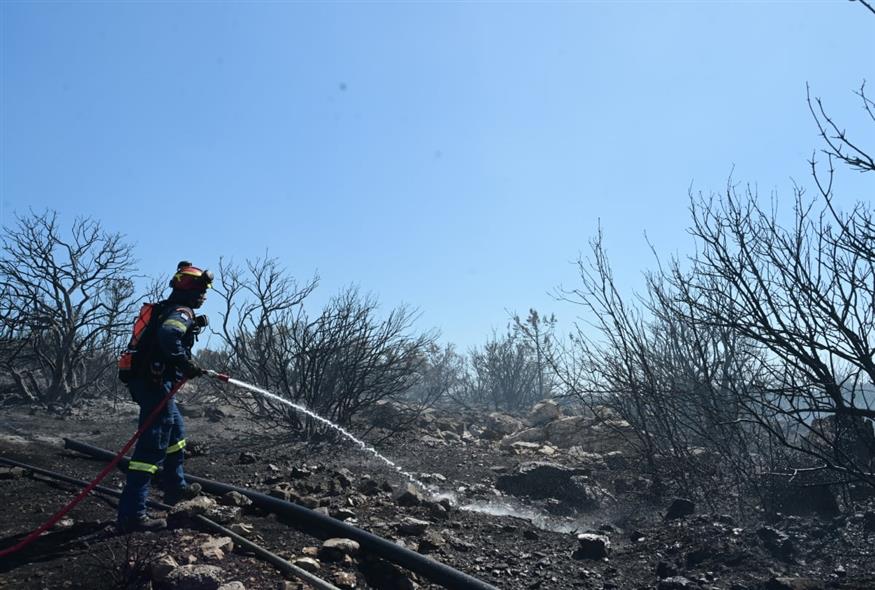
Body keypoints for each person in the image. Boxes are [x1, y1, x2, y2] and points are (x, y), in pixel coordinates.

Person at [116, 261, 212, 532]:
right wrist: (184, 362)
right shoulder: (181, 312)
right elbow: (169, 336)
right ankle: (133, 514)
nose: (204, 296)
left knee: (175, 434)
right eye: (202, 290)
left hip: (150, 381)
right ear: (190, 291)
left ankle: (175, 488)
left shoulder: (165, 308)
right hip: (154, 383)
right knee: (152, 447)